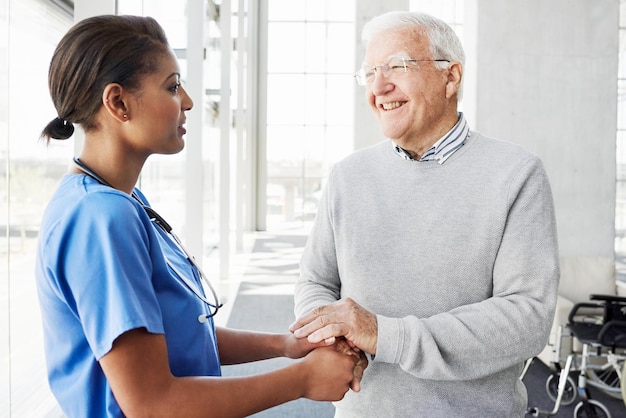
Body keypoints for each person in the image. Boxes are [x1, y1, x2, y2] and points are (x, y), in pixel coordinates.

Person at [35, 15, 365, 418]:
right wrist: (301, 379)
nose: (188, 101)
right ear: (118, 103)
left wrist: (284, 345)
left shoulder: (119, 200)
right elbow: (152, 404)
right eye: (173, 87)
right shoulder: (101, 218)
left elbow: (181, 334)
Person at [289, 10, 559, 418]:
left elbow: (526, 316)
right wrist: (333, 338)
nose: (379, 86)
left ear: (450, 77)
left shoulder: (516, 174)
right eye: (370, 73)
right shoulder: (348, 176)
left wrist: (385, 335)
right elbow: (315, 281)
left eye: (397, 66)